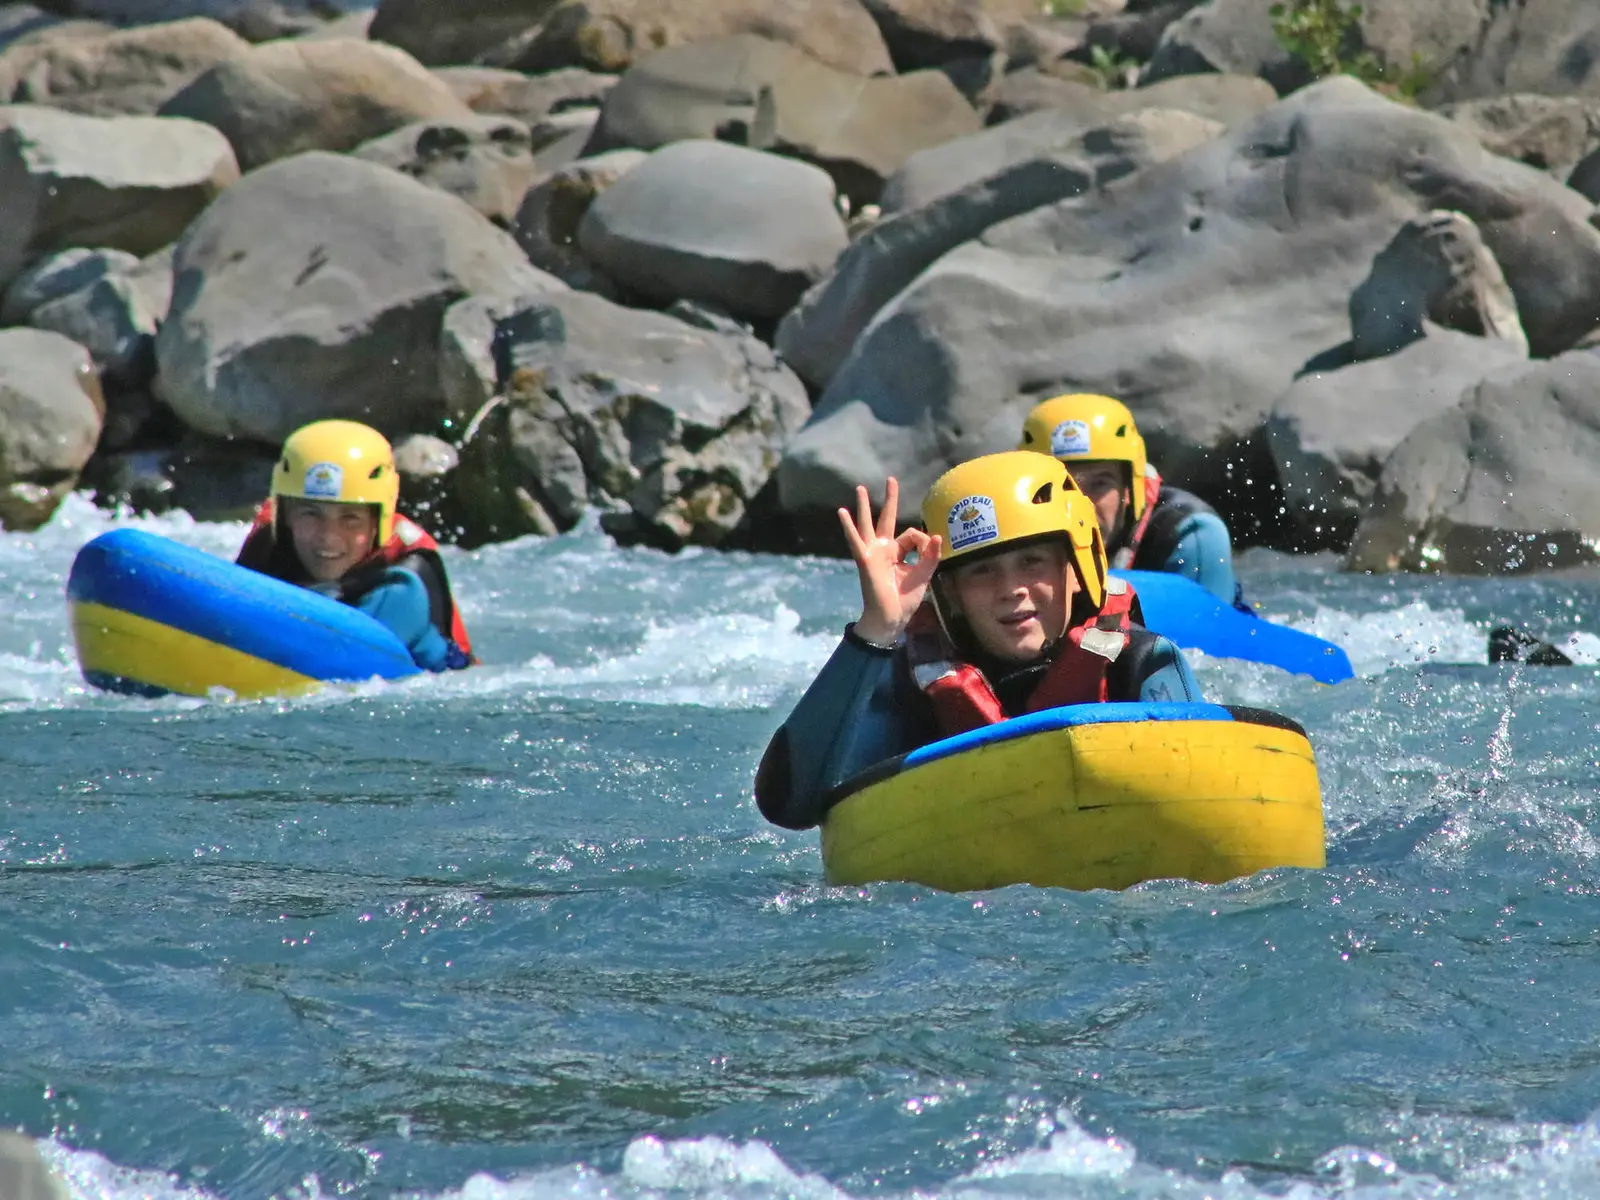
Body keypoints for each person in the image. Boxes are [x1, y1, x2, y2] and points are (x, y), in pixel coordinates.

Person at [755, 451, 1202, 830]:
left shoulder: (1141, 663)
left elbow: (1205, 803)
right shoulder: (913, 684)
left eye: (1032, 561)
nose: (1011, 589)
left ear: (1077, 568)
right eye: (981, 571)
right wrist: (877, 630)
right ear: (949, 593)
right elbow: (788, 806)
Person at [236, 419, 474, 672]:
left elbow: (329, 664)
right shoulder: (268, 542)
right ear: (286, 515)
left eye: (350, 518)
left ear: (377, 522)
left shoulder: (404, 587)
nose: (329, 537)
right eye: (310, 514)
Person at [1019, 392, 1246, 608]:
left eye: (1100, 483)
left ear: (1128, 489)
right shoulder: (1012, 539)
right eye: (1064, 486)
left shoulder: (1192, 536)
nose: (1081, 504)